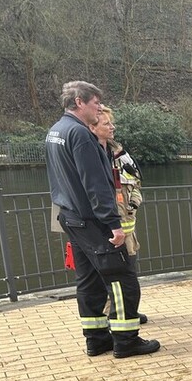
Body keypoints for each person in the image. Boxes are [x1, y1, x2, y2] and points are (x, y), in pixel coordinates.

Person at [45, 81, 159, 358]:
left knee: (88, 280)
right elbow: (95, 184)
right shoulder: (80, 135)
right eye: (95, 102)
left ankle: (96, 339)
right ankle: (126, 340)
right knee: (122, 279)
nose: (99, 108)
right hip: (93, 221)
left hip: (71, 217)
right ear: (80, 103)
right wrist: (113, 224)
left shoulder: (55, 132)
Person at [89, 105, 148, 324]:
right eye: (107, 124)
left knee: (129, 271)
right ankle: (110, 314)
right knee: (108, 274)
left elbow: (136, 182)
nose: (112, 127)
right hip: (104, 228)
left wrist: (134, 202)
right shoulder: (89, 154)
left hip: (127, 227)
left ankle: (128, 310)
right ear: (92, 127)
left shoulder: (119, 155)